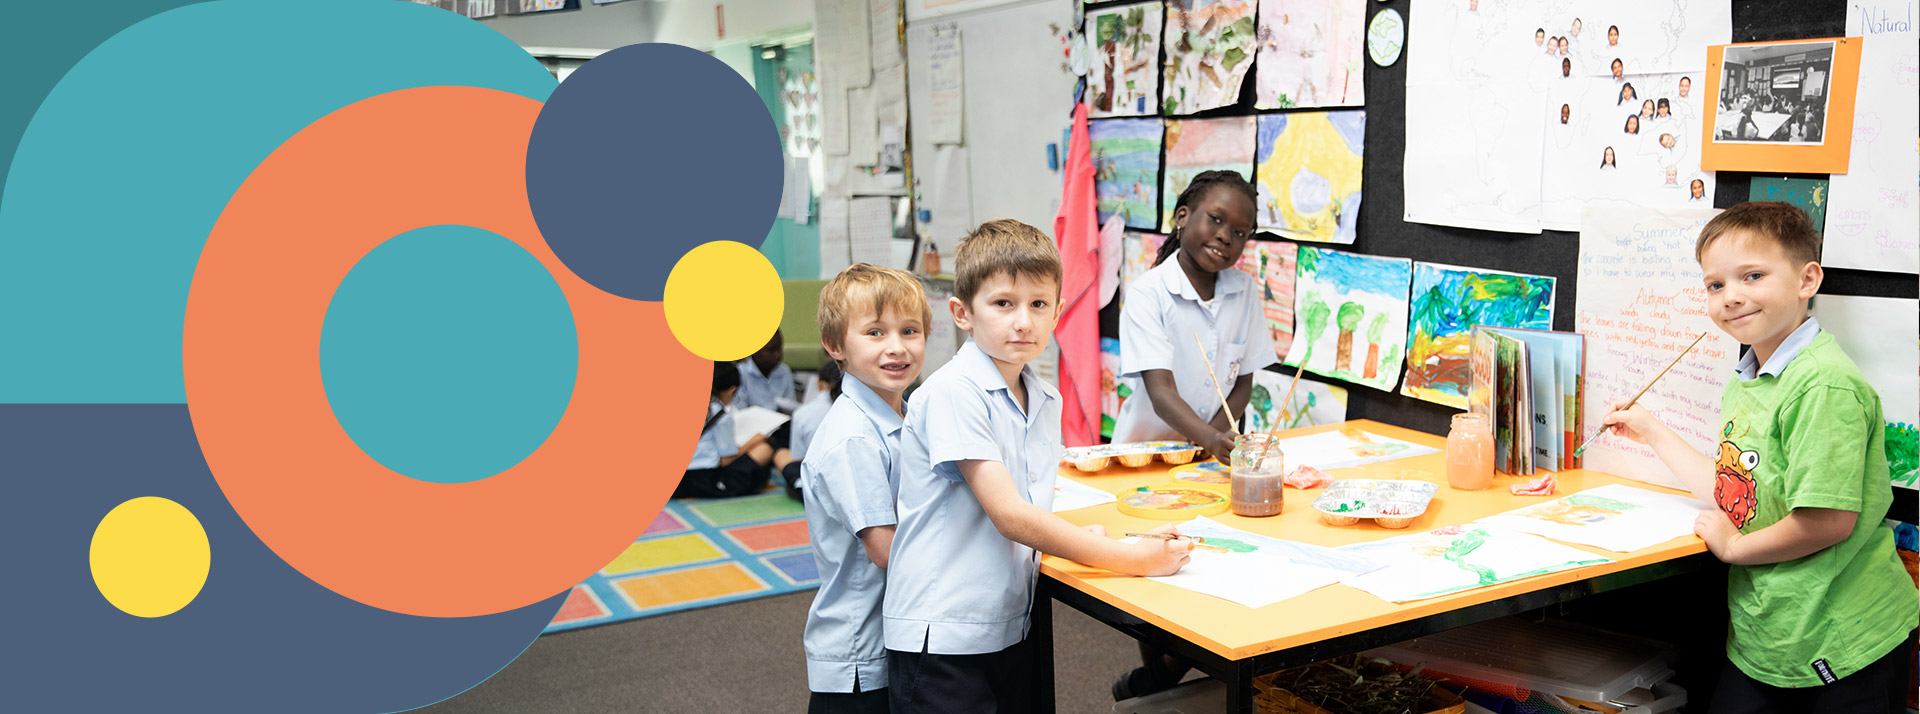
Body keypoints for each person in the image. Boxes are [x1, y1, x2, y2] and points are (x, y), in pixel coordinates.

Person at [1601, 202, 1918, 714]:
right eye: (1715, 285)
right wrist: (1651, 430)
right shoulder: (1751, 372)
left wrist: (1732, 549)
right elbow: (1735, 491)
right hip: (1768, 637)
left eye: (1752, 275)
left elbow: (1827, 521)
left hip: (1841, 641)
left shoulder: (1822, 385)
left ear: (1806, 279)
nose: (1732, 297)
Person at [885, 219, 1192, 713]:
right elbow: (1009, 515)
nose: (1023, 321)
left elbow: (1027, 504)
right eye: (1003, 303)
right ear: (962, 313)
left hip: (1008, 618)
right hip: (944, 632)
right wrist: (1131, 559)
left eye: (1038, 304)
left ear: (1058, 313)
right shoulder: (952, 392)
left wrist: (1099, 539)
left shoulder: (1042, 397)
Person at [801, 263, 930, 714]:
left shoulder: (906, 413)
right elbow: (885, 550)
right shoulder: (853, 436)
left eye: (910, 330)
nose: (897, 347)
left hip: (892, 633)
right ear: (836, 345)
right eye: (875, 333)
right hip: (860, 654)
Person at [1113, 170, 1273, 457]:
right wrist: (1209, 437)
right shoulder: (1148, 293)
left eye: (1239, 232)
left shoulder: (1245, 291)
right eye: (1216, 219)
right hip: (1144, 456)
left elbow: (1243, 384)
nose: (1225, 236)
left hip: (1204, 457)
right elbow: (1161, 392)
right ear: (1183, 216)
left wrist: (1212, 439)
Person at [679, 362, 776, 498]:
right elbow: (725, 460)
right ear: (731, 390)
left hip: (679, 481)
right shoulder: (721, 415)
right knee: (764, 450)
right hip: (706, 479)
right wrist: (752, 442)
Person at [782, 359, 842, 501]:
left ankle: (800, 487)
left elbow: (798, 457)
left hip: (821, 485)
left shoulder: (804, 412)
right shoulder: (859, 408)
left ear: (820, 383)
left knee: (784, 459)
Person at [738, 329, 801, 413]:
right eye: (771, 350)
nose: (778, 354)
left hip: (782, 424)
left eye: (780, 349)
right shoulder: (740, 373)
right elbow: (740, 411)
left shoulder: (785, 371)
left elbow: (791, 407)